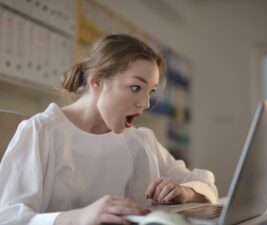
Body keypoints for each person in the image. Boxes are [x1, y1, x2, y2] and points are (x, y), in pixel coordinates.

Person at [0, 34, 218, 225]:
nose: (146, 103)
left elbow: (205, 182)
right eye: (136, 88)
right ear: (97, 82)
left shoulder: (140, 140)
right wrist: (78, 218)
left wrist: (185, 192)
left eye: (150, 92)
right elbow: (7, 216)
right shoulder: (42, 131)